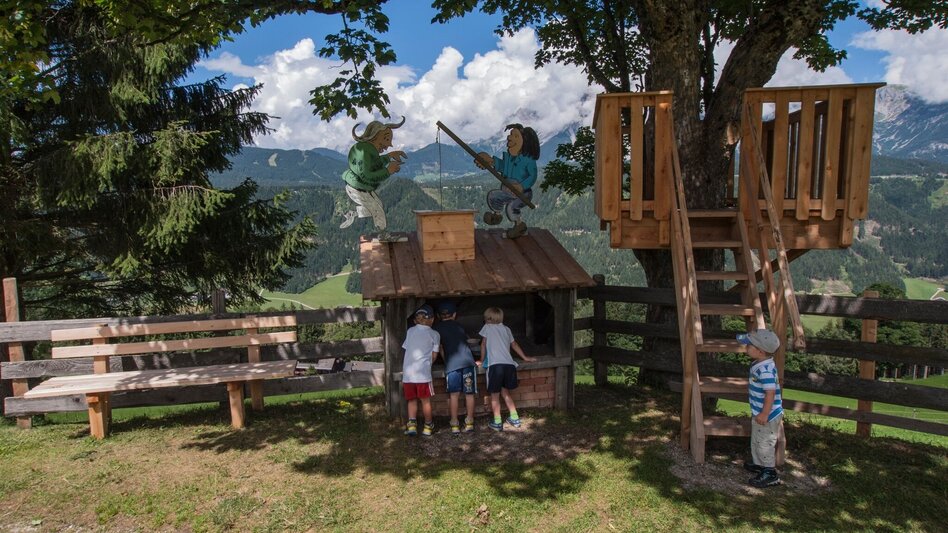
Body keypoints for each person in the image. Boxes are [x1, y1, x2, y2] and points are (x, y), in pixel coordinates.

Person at [339, 117, 408, 242]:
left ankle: (353, 213)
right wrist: (388, 171)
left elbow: (374, 163)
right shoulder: (364, 151)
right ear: (377, 137)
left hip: (361, 187)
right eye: (387, 139)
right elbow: (366, 175)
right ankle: (383, 236)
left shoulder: (368, 149)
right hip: (357, 188)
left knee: (377, 206)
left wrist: (389, 156)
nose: (389, 144)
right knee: (378, 210)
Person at [474, 123, 540, 239]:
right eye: (510, 135)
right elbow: (502, 166)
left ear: (524, 141)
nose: (510, 138)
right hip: (508, 190)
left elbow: (532, 176)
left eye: (515, 136)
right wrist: (491, 161)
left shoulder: (528, 160)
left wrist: (521, 186)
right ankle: (497, 215)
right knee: (493, 196)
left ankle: (519, 226)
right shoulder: (509, 158)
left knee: (511, 207)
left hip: (523, 193)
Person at [737, 328, 784, 488]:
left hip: (768, 415)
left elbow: (770, 393)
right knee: (757, 440)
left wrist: (764, 413)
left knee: (765, 443)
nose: (746, 348)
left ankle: (770, 473)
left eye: (749, 345)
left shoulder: (765, 370)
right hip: (760, 412)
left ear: (760, 351)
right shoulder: (760, 364)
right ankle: (760, 464)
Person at [479, 306, 536, 431]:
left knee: (494, 396)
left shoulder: (487, 328)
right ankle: (515, 419)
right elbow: (514, 344)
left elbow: (483, 344)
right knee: (505, 393)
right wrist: (525, 357)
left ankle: (497, 422)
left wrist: (482, 360)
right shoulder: (506, 329)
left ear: (488, 319)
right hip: (509, 366)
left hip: (495, 366)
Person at [432, 301, 478, 434]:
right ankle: (469, 422)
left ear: (439, 316)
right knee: (469, 394)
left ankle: (454, 424)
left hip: (452, 366)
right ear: (455, 315)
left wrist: (446, 360)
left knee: (454, 395)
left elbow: (440, 348)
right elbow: (467, 341)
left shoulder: (437, 329)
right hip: (468, 363)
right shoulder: (459, 326)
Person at [402, 304, 440, 437]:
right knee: (425, 401)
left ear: (416, 319)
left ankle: (412, 426)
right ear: (432, 319)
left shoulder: (410, 331)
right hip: (423, 374)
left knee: (411, 400)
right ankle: (428, 426)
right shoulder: (435, 334)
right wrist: (429, 363)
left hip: (408, 374)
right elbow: (434, 355)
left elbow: (407, 348)